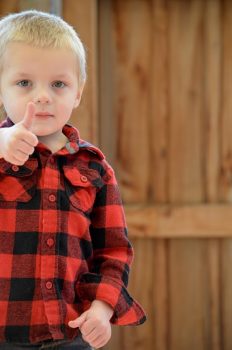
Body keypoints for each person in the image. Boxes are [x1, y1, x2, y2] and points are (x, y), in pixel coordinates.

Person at [0, 9, 146, 350]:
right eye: (24, 83)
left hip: (70, 334)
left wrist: (103, 306)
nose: (42, 96)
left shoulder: (95, 168)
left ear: (77, 92)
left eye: (58, 84)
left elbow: (115, 251)